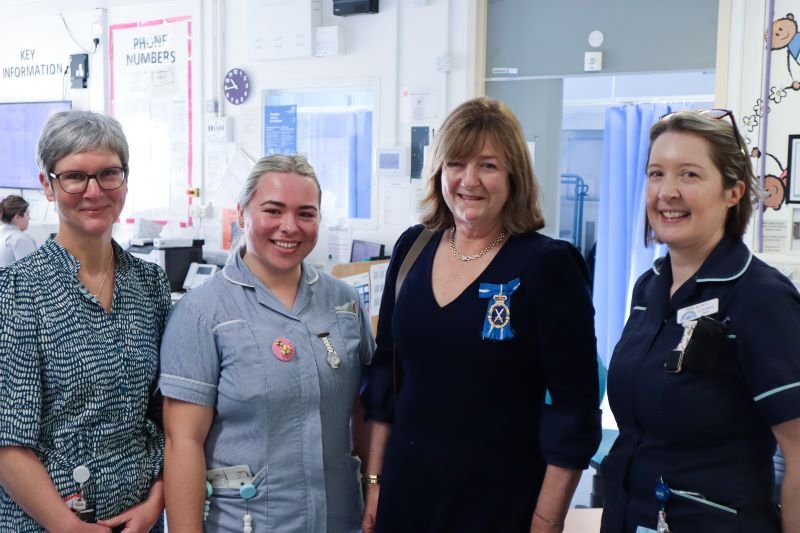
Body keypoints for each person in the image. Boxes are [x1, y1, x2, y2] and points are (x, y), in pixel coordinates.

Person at [360, 97, 602, 533]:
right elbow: (386, 373)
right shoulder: (413, 248)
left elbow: (575, 410)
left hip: (498, 504)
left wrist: (547, 521)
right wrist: (375, 483)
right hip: (405, 496)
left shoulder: (547, 265)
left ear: (514, 176)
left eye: (488, 165)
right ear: (439, 171)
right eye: (456, 163)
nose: (469, 180)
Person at [600, 109, 800, 532]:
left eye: (689, 175)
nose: (666, 192)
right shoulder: (649, 288)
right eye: (656, 174)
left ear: (733, 192)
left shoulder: (761, 298)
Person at [160, 154, 375, 532]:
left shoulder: (343, 302)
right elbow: (183, 443)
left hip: (339, 518)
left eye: (306, 213)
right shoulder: (202, 312)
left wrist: (373, 484)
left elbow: (365, 408)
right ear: (242, 214)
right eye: (273, 210)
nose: (289, 226)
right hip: (248, 520)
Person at [0, 110, 171, 531]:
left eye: (109, 173)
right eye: (75, 177)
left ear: (125, 180)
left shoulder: (150, 284)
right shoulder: (18, 291)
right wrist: (69, 526)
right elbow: (8, 443)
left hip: (140, 519)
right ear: (48, 185)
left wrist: (156, 503)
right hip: (44, 522)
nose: (94, 191)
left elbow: (167, 416)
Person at [0, 194, 37, 266]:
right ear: (17, 217)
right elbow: (33, 269)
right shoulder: (20, 239)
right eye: (27, 214)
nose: (29, 218)